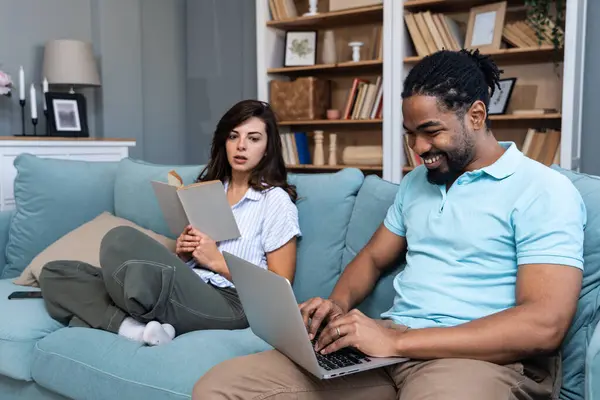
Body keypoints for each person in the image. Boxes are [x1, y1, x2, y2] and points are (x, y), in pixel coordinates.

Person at [192, 49, 586, 399]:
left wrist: (399, 340)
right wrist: (335, 305)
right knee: (220, 387)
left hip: (479, 360)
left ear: (477, 115)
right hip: (387, 350)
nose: (418, 150)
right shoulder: (417, 185)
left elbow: (543, 324)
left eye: (431, 132)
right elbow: (373, 258)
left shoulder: (543, 190)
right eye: (411, 135)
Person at [39, 99, 301, 346]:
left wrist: (216, 262)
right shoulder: (209, 190)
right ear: (225, 142)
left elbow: (280, 289)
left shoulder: (274, 201)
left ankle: (121, 312)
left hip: (232, 303)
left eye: (253, 138)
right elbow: (186, 265)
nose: (241, 145)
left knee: (119, 239)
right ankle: (135, 329)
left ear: (268, 148)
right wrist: (184, 253)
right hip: (189, 285)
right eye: (234, 136)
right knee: (54, 273)